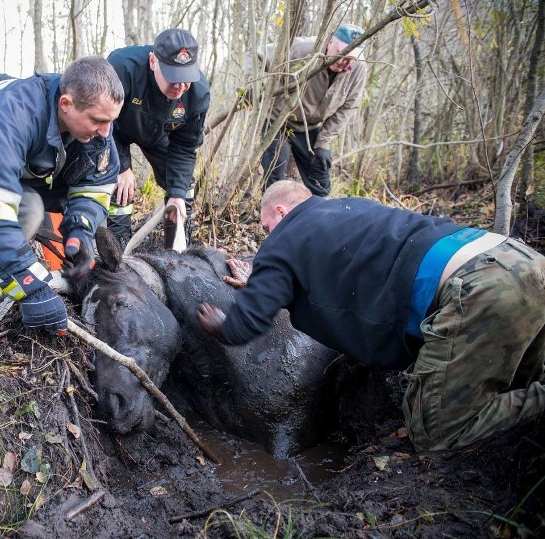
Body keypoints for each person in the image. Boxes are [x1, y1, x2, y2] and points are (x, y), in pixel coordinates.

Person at [196, 180, 545, 452]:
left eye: (266, 226)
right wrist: (264, 278)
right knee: (519, 376)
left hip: (479, 291)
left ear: (282, 212)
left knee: (436, 429)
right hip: (520, 259)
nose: (266, 237)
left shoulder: (284, 238)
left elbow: (246, 323)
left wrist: (221, 324)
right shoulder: (354, 207)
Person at [0, 56, 124, 340]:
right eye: (98, 121)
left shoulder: (96, 119)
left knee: (25, 216)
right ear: (66, 104)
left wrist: (80, 229)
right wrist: (32, 286)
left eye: (111, 121)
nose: (107, 132)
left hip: (21, 176)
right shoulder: (14, 110)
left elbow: (96, 184)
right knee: (22, 215)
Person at [105, 28, 210, 249]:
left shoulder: (198, 93)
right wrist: (121, 167)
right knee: (120, 186)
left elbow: (185, 145)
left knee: (183, 188)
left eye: (186, 79)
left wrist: (177, 193)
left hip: (161, 133)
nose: (180, 86)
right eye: (173, 78)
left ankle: (176, 253)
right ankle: (119, 253)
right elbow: (102, 123)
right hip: (116, 131)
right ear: (153, 62)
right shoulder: (121, 68)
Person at [247, 24, 367, 196]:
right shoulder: (304, 49)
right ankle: (274, 220)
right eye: (341, 53)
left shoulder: (358, 69)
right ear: (330, 41)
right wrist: (254, 89)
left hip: (310, 126)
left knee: (320, 178)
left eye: (350, 58)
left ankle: (319, 219)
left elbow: (348, 106)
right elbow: (255, 55)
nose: (344, 61)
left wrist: (324, 141)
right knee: (276, 177)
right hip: (278, 118)